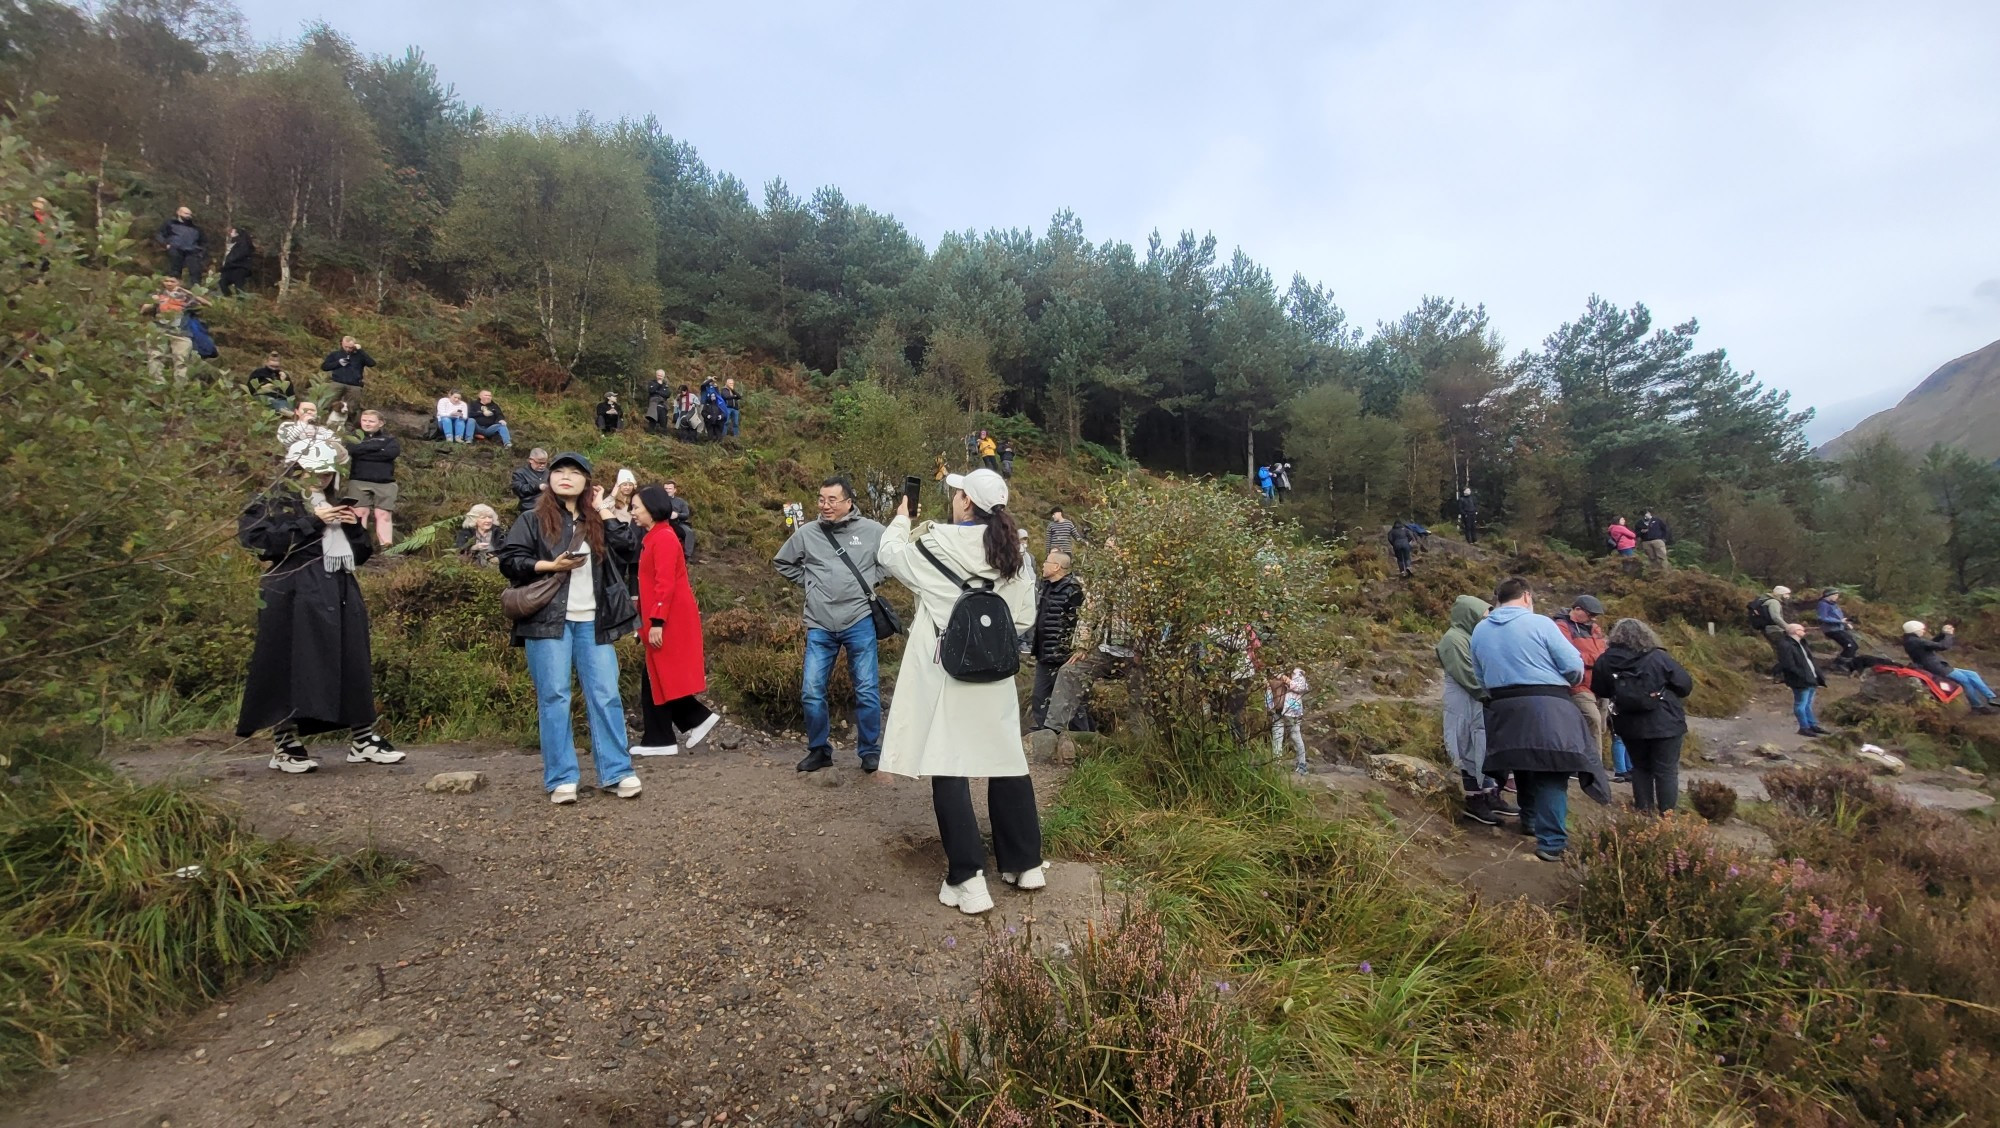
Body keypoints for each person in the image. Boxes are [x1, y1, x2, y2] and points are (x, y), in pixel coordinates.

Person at [876, 468, 1040, 915]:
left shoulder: (935, 543)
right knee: (1007, 759)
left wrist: (901, 518)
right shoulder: (1017, 555)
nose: (954, 499)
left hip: (948, 672)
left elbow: (889, 555)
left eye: (958, 493)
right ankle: (1025, 865)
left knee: (949, 765)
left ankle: (968, 879)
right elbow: (1023, 620)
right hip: (998, 674)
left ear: (966, 502)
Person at [234, 450, 402, 774]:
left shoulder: (336, 500)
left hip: (339, 586)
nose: (323, 477)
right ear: (299, 468)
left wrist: (354, 528)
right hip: (291, 589)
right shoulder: (275, 498)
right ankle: (285, 743)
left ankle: (363, 739)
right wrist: (314, 521)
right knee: (291, 663)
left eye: (329, 472)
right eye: (317, 471)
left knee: (352, 659)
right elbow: (257, 541)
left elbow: (361, 554)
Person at [498, 452, 643, 804]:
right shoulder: (532, 519)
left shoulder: (597, 522)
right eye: (559, 471)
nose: (566, 477)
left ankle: (617, 771)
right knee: (554, 697)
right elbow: (510, 561)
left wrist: (602, 508)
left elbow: (629, 546)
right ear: (548, 480)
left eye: (575, 472)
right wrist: (550, 565)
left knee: (606, 695)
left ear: (588, 483)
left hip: (594, 621)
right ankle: (562, 777)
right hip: (547, 622)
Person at [1469, 576, 1611, 863]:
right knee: (1552, 770)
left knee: (1522, 764)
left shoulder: (1480, 630)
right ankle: (1552, 842)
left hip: (1504, 706)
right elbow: (1573, 666)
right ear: (1527, 596)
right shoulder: (1541, 623)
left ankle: (1530, 820)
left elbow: (1480, 676)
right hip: (1547, 703)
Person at [772, 476, 888, 773]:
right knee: (811, 690)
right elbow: (782, 562)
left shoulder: (873, 531)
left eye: (831, 500)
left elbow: (892, 558)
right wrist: (810, 584)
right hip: (819, 623)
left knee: (866, 689)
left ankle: (870, 751)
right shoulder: (807, 533)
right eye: (821, 499)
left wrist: (872, 581)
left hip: (859, 619)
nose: (825, 505)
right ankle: (819, 750)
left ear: (849, 502)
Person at [631, 485, 722, 756]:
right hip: (662, 617)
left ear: (651, 507)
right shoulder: (657, 537)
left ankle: (686, 724)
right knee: (655, 675)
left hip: (670, 618)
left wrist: (656, 620)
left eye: (636, 507)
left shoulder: (664, 539)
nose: (633, 511)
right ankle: (667, 735)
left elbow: (665, 584)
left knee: (661, 674)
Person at [1590, 618, 1695, 814]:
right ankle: (1667, 816)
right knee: (1666, 771)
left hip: (1629, 723)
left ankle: (1643, 812)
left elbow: (1599, 689)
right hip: (1666, 722)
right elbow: (1684, 685)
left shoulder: (1605, 660)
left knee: (1640, 768)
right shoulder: (1658, 657)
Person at [1437, 595, 1518, 826]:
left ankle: (1490, 794)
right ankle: (1475, 800)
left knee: (1481, 748)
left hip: (1477, 703)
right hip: (1463, 703)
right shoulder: (1453, 640)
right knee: (1466, 748)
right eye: (1483, 616)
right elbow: (1466, 674)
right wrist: (1490, 696)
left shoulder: (1472, 637)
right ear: (1469, 615)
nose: (1487, 621)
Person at [1553, 595, 1627, 782]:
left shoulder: (1595, 629)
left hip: (1600, 684)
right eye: (1590, 614)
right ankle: (1594, 770)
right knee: (1592, 721)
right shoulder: (1561, 626)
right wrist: (1596, 659)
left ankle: (1581, 763)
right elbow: (1569, 654)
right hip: (1578, 684)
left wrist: (1596, 659)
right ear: (1577, 610)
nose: (1594, 618)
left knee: (1600, 725)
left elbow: (1604, 652)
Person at [1027, 551, 1085, 727]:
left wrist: (1072, 649)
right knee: (1039, 697)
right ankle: (1044, 734)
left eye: (1047, 562)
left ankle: (1083, 736)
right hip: (1044, 653)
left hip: (1062, 655)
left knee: (1069, 699)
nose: (1043, 564)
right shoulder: (1046, 586)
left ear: (1057, 567)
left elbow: (1080, 622)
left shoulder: (1073, 591)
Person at [1903, 621, 1997, 715]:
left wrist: (1942, 634)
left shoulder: (1912, 640)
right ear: (1914, 630)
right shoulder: (1914, 641)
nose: (1923, 631)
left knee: (1972, 674)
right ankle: (1977, 706)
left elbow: (1931, 644)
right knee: (1965, 681)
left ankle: (1991, 697)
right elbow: (1943, 646)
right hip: (1936, 667)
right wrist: (1948, 635)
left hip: (1938, 665)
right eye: (1922, 629)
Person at [343, 410, 401, 548]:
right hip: (359, 480)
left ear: (380, 423)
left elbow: (390, 454)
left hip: (385, 482)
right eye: (364, 420)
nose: (367, 424)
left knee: (384, 515)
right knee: (360, 514)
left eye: (371, 421)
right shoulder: (354, 437)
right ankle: (360, 547)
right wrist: (377, 448)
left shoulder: (390, 439)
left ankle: (386, 547)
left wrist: (364, 450)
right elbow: (352, 450)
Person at [140, 275, 206, 381]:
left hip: (181, 333)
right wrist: (153, 303)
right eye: (166, 281)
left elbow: (206, 304)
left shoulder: (186, 297)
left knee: (181, 361)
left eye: (172, 281)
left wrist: (187, 292)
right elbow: (143, 310)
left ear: (178, 283)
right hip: (160, 330)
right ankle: (156, 383)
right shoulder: (158, 294)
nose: (169, 283)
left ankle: (179, 387)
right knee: (155, 357)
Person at [1776, 622, 1829, 735]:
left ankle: (1812, 725)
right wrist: (1801, 674)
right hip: (1800, 679)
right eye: (1802, 629)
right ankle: (1804, 727)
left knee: (1808, 703)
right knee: (1801, 703)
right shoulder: (1785, 645)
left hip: (1811, 677)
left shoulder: (1802, 643)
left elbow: (1809, 660)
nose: (1804, 631)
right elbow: (1788, 664)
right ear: (1795, 631)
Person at [320, 336, 376, 414]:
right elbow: (324, 367)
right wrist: (338, 363)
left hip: (355, 385)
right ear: (342, 344)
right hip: (337, 382)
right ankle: (323, 420)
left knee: (352, 408)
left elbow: (372, 363)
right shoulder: (335, 354)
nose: (348, 349)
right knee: (328, 403)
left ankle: (348, 424)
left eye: (350, 347)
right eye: (346, 347)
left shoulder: (360, 355)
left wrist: (360, 351)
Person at [1270, 667, 1310, 774]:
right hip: (1277, 709)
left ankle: (1302, 764)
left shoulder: (1297, 673)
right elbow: (1270, 689)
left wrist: (1286, 680)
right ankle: (1276, 765)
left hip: (1292, 710)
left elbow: (1302, 687)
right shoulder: (1273, 671)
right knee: (1277, 737)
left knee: (1295, 735)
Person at [155, 205, 206, 279]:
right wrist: (165, 244)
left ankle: (194, 288)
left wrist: (201, 252)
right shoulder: (170, 223)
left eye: (190, 214)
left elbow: (203, 242)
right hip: (175, 250)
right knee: (174, 272)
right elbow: (159, 234)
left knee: (195, 272)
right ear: (178, 213)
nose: (188, 216)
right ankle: (173, 287)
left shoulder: (196, 228)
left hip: (192, 252)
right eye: (186, 213)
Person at [1818, 590, 1860, 671]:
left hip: (1839, 628)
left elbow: (1839, 617)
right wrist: (1840, 621)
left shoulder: (1834, 605)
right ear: (1829, 595)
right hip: (1831, 630)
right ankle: (1838, 664)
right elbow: (1822, 618)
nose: (1837, 597)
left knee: (1854, 646)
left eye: (1837, 595)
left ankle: (1848, 663)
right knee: (1849, 646)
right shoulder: (1823, 604)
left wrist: (1846, 623)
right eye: (1835, 595)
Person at [1756, 586, 1793, 667]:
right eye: (1786, 594)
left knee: (1778, 651)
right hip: (1774, 630)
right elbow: (1775, 617)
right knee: (1782, 652)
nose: (1788, 597)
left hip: (1769, 629)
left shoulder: (1766, 601)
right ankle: (1781, 672)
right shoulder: (1774, 602)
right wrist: (1787, 627)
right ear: (1781, 594)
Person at [662, 480, 696, 563]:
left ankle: (687, 555)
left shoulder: (681, 501)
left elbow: (686, 514)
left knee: (689, 532)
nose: (667, 490)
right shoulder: (659, 500)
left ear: (674, 490)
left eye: (670, 488)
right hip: (662, 523)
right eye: (665, 488)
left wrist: (677, 515)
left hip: (678, 523)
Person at [217, 225, 254, 296]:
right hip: (229, 268)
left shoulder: (243, 243)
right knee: (222, 283)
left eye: (232, 231)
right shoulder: (232, 243)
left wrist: (230, 260)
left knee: (239, 288)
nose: (230, 234)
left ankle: (240, 303)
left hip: (240, 268)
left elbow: (240, 254)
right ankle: (229, 298)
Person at [511, 448, 550, 513]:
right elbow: (519, 490)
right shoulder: (520, 473)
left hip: (548, 507)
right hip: (529, 508)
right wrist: (537, 486)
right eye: (539, 463)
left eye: (544, 463)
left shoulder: (548, 472)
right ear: (531, 460)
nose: (542, 465)